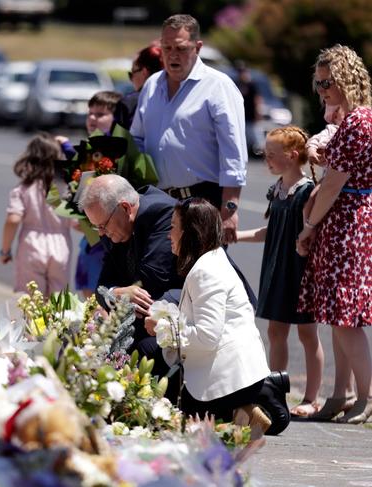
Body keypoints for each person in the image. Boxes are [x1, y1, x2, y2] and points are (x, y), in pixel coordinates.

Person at [148, 197, 290, 435]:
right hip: (224, 371)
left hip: (230, 378)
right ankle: (240, 411)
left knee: (175, 415)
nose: (168, 234)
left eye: (173, 226)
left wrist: (163, 327)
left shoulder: (206, 272)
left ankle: (251, 402)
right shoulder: (209, 262)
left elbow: (206, 336)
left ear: (189, 231)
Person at [297, 44, 372, 424]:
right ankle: (341, 393)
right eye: (318, 83)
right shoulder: (356, 120)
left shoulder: (359, 121)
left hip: (347, 222)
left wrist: (309, 227)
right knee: (338, 314)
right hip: (346, 219)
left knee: (345, 315)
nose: (322, 89)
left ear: (344, 79)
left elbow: (332, 186)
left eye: (327, 82)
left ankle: (365, 395)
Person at [130, 14, 247, 243]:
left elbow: (234, 154)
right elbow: (137, 137)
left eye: (181, 48)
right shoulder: (152, 85)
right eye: (167, 47)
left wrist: (230, 209)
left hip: (202, 204)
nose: (173, 55)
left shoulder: (218, 86)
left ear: (198, 47)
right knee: (160, 276)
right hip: (159, 203)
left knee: (200, 276)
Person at [237, 126, 323, 417]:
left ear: (292, 155)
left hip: (299, 271)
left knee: (308, 333)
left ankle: (312, 397)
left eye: (271, 154)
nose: (266, 159)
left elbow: (311, 233)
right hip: (276, 269)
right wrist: (236, 235)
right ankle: (277, 394)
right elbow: (270, 231)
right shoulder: (277, 190)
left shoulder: (307, 191)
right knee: (276, 331)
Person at [78, 174, 183, 396]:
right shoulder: (115, 225)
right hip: (154, 315)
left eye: (103, 226)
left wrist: (118, 292)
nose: (101, 234)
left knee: (137, 352)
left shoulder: (162, 213)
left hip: (188, 309)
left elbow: (152, 282)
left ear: (125, 208)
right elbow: (102, 285)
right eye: (96, 227)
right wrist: (117, 291)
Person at [56, 91, 123, 299]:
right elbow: (81, 175)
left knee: (100, 298)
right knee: (87, 294)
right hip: (90, 237)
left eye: (101, 114)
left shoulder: (118, 151)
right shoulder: (91, 149)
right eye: (90, 113)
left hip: (107, 241)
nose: (93, 118)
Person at [0, 132, 72, 296]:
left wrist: (5, 250)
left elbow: (13, 219)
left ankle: (33, 323)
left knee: (31, 300)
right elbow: (75, 222)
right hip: (61, 245)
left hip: (31, 245)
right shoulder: (64, 189)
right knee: (59, 301)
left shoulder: (23, 189)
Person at [114, 44, 162, 130]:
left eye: (131, 73)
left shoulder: (129, 103)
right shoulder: (178, 97)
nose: (131, 79)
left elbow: (119, 139)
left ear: (144, 72)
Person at [234, 60, 263, 156]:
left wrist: (258, 112)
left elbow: (257, 99)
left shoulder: (251, 84)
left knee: (255, 134)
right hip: (241, 115)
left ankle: (260, 151)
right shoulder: (236, 84)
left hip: (251, 114)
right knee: (244, 136)